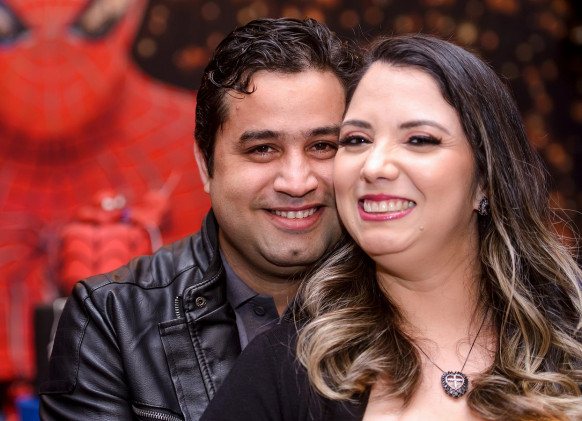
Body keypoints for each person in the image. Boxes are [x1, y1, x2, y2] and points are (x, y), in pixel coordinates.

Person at [200, 34, 582, 421]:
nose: (374, 166)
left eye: (419, 140)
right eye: (356, 140)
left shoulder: (572, 332)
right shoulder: (285, 367)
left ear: (484, 178)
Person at [39, 17, 360, 420]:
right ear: (205, 164)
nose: (297, 182)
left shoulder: (408, 300)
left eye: (323, 146)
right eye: (262, 149)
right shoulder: (113, 318)